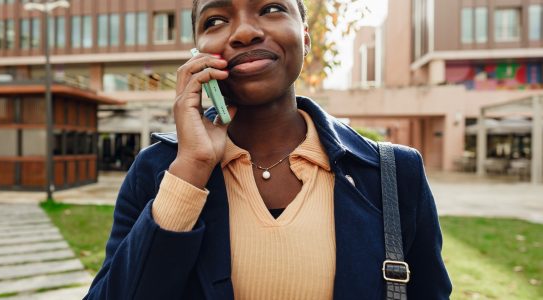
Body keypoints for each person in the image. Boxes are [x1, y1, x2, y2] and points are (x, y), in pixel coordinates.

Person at [84, 0, 452, 299]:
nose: (244, 31)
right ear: (197, 52)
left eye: (271, 8)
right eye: (215, 20)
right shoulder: (159, 170)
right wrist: (191, 170)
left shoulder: (395, 173)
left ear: (305, 38)